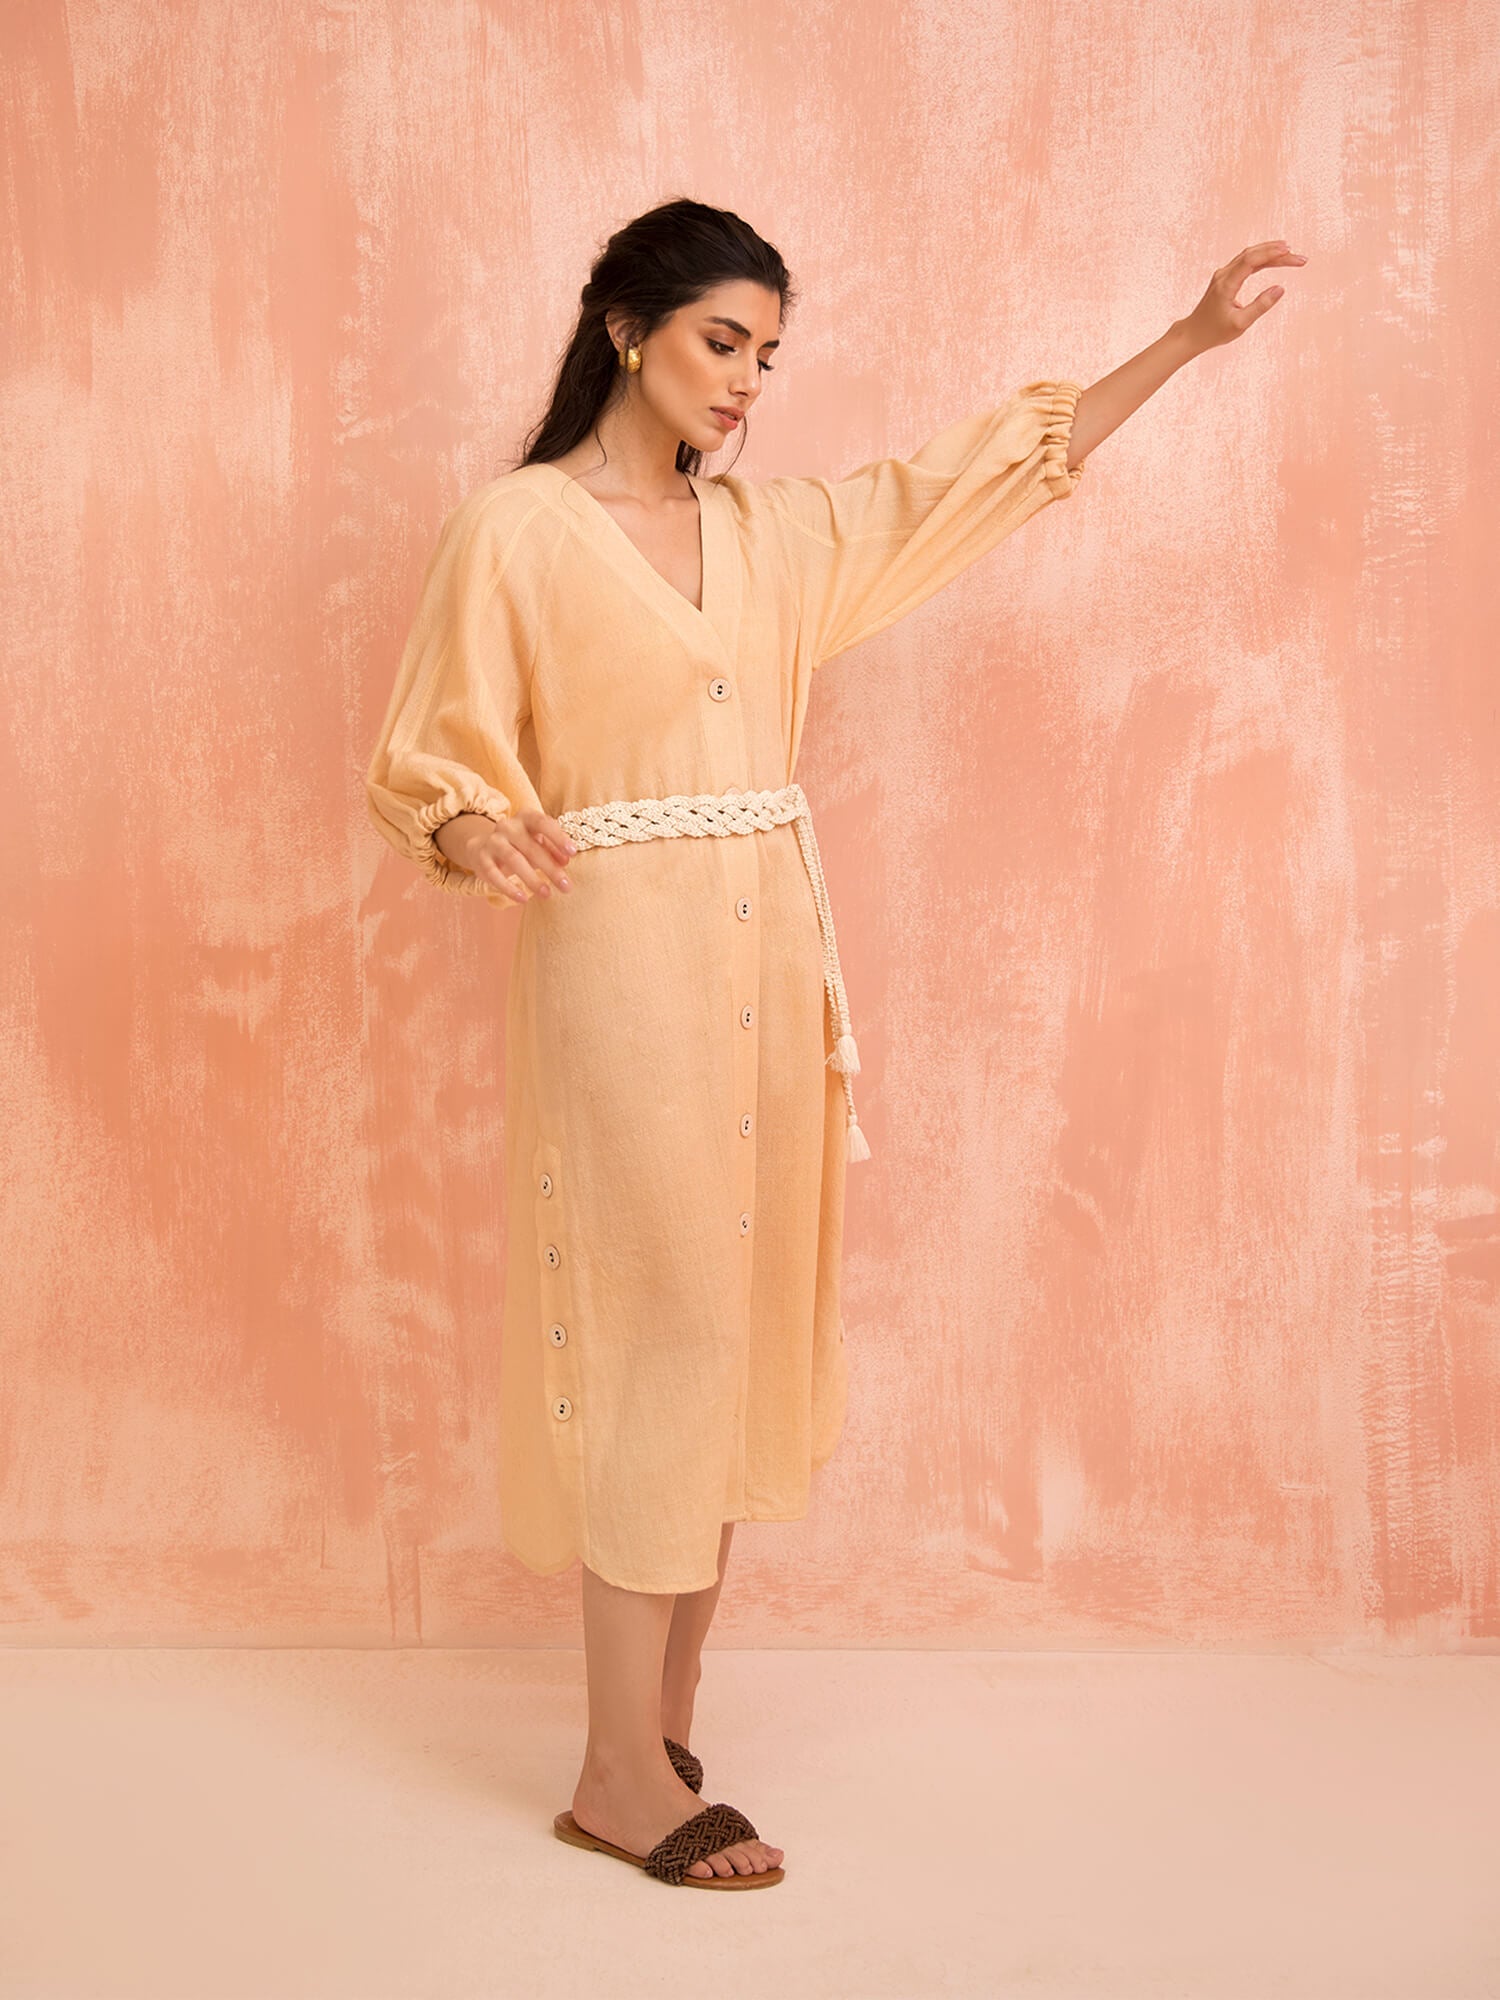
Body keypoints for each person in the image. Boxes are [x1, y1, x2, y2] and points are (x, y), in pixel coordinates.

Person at [365, 198, 1306, 1889]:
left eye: (769, 355)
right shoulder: (515, 531)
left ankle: (664, 1723)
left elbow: (973, 481)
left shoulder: (776, 536)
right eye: (722, 340)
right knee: (652, 1333)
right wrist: (467, 827)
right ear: (628, 328)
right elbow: (430, 750)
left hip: (771, 972)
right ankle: (612, 1771)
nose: (748, 380)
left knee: (725, 1331)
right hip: (621, 964)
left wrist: (1186, 339)